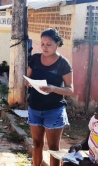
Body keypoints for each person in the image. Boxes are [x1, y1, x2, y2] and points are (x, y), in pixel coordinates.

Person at [25, 28, 74, 166]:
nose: (45, 47)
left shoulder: (63, 64)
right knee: (37, 143)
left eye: (49, 44)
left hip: (54, 110)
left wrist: (53, 88)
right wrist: (28, 82)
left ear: (57, 43)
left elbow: (70, 89)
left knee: (53, 148)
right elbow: (28, 77)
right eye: (42, 44)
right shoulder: (34, 59)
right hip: (34, 108)